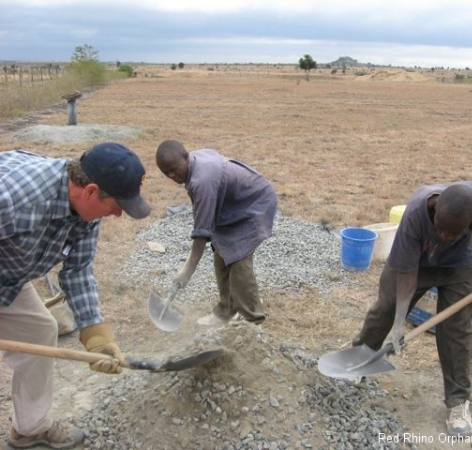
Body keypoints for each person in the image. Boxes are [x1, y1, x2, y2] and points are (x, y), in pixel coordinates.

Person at [0, 142, 151, 449]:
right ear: (91, 191)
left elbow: (78, 270)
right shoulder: (15, 199)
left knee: (39, 330)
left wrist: (95, 334)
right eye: (117, 204)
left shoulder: (87, 215)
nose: (119, 215)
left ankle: (30, 428)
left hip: (8, 277)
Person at [352, 181, 472, 437]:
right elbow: (407, 273)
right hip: (414, 263)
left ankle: (458, 401)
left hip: (457, 266)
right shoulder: (415, 215)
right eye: (442, 229)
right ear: (435, 210)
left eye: (454, 233)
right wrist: (398, 324)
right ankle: (358, 361)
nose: (446, 237)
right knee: (386, 309)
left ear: (471, 222)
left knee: (456, 330)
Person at [155, 140, 277, 327]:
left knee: (238, 260)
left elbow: (201, 234)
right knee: (221, 253)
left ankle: (252, 321)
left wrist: (187, 271)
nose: (172, 175)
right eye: (166, 173)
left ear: (186, 157)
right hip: (233, 205)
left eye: (174, 169)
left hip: (254, 203)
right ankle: (225, 312)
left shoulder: (202, 180)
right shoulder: (193, 164)